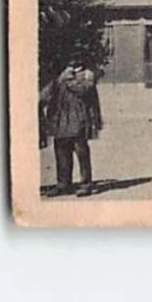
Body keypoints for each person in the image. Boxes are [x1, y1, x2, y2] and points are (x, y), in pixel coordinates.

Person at [40, 57, 104, 197]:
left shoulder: (86, 76)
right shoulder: (60, 77)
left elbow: (82, 90)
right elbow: (44, 96)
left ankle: (86, 185)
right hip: (60, 120)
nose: (71, 64)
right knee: (61, 153)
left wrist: (67, 78)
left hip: (77, 120)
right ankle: (63, 184)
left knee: (81, 154)